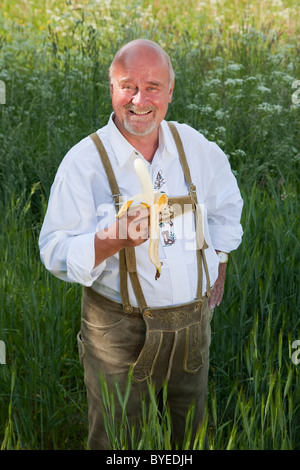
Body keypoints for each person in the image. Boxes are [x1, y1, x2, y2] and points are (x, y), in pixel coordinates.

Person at [39, 39, 243, 450]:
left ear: (170, 91)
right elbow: (54, 249)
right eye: (127, 86)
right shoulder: (85, 161)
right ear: (111, 89)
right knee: (117, 438)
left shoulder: (196, 148)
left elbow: (226, 207)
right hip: (118, 332)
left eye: (152, 87)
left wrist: (219, 260)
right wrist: (110, 239)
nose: (139, 99)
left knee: (190, 433)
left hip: (192, 326)